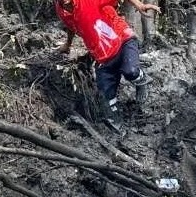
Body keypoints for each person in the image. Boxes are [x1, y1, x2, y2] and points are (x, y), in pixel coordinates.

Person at [55, 0, 160, 132]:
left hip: (123, 41)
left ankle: (141, 79)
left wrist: (139, 5)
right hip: (102, 56)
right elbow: (70, 26)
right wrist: (68, 45)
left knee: (131, 72)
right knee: (105, 101)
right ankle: (118, 128)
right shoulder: (61, 10)